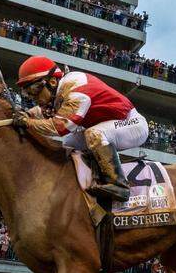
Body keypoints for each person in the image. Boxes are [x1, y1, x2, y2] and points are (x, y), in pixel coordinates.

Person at [14, 55, 148, 200]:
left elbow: (58, 128)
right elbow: (43, 110)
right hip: (112, 125)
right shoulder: (61, 90)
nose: (32, 97)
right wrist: (27, 113)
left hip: (132, 123)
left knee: (94, 133)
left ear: (52, 82)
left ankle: (119, 186)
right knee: (68, 143)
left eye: (34, 90)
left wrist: (27, 122)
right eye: (28, 92)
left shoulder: (77, 90)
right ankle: (84, 178)